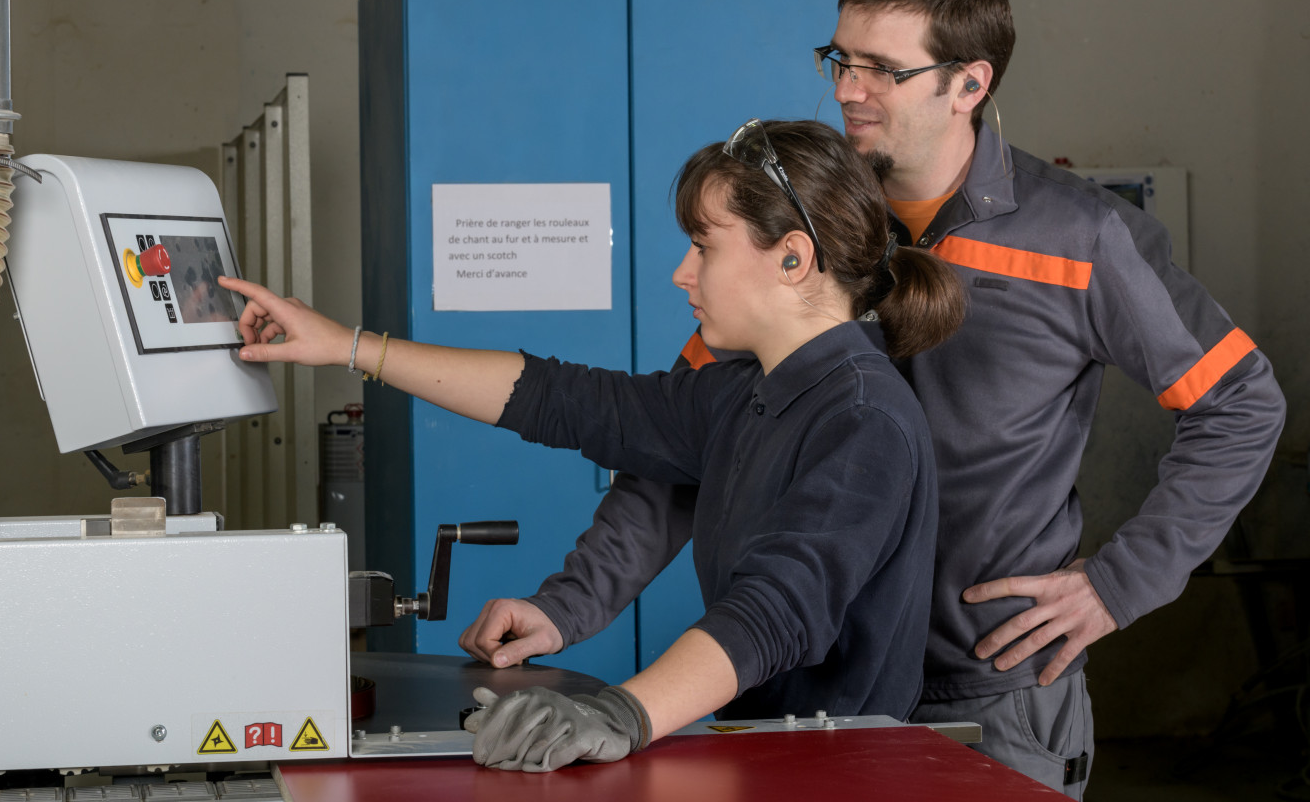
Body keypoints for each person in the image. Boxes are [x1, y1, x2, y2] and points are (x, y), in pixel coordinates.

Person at [460, 0, 1287, 797]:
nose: (847, 89)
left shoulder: (1080, 240)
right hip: (803, 685)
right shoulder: (802, 217)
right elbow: (692, 439)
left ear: (969, 83)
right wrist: (573, 603)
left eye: (881, 69)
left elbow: (1241, 404)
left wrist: (1120, 582)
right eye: (840, 60)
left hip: (992, 696)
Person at [221, 118, 966, 772]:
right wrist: (348, 346)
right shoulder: (746, 390)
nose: (683, 273)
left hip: (841, 774)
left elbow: (775, 611)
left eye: (703, 248)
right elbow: (567, 400)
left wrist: (619, 715)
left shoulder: (864, 420)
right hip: (770, 754)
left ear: (793, 258)